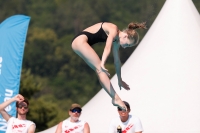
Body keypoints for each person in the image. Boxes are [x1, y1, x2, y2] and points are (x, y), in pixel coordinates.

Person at [71, 22, 146, 110]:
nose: (125, 47)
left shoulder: (117, 41)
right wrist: (102, 63)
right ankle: (116, 98)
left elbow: (117, 62)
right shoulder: (114, 29)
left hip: (80, 43)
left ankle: (115, 98)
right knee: (100, 69)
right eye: (128, 44)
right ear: (125, 36)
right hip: (79, 41)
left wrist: (119, 79)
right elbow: (107, 47)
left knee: (99, 70)